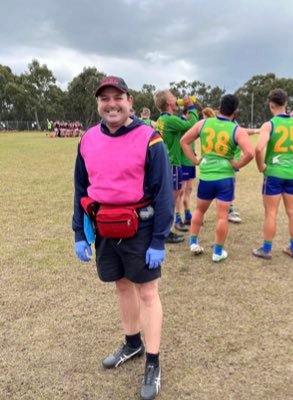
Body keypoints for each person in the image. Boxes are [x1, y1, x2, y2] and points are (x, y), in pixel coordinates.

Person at [72, 76, 174, 400]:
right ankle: (133, 344)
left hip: (141, 226)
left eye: (118, 97)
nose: (112, 104)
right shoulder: (87, 140)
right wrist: (79, 232)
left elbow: (164, 193)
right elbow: (80, 189)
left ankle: (153, 363)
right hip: (104, 226)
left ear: (130, 101)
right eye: (105, 99)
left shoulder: (150, 139)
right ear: (99, 104)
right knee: (121, 285)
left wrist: (159, 238)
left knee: (147, 292)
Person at [180, 94, 254, 262]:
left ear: (219, 108)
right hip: (225, 178)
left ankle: (193, 242)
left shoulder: (203, 123)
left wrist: (195, 160)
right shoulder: (237, 129)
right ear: (235, 112)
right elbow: (250, 153)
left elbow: (184, 141)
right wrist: (237, 164)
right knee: (222, 216)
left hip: (206, 176)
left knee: (199, 210)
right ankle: (217, 252)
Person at [252, 89, 293, 260]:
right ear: (286, 103)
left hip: (273, 173)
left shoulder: (270, 124)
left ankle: (266, 249)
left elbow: (259, 148)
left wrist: (261, 167)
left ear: (270, 104)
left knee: (271, 213)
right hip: (290, 174)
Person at [154, 90, 199, 239]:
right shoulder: (170, 120)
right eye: (173, 97)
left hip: (166, 163)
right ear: (168, 103)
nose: (177, 99)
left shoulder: (162, 120)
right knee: (171, 201)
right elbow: (192, 124)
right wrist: (191, 107)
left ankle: (165, 229)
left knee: (169, 198)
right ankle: (165, 232)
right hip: (173, 164)